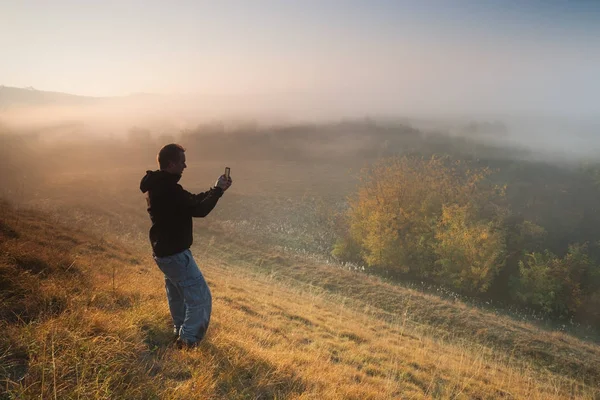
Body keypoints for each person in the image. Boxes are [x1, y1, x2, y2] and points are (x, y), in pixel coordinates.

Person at [140, 143, 232, 348]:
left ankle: (180, 332)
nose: (185, 166)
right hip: (175, 254)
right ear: (172, 163)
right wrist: (217, 191)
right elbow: (199, 210)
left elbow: (190, 202)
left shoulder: (160, 185)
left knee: (178, 295)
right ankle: (188, 343)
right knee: (200, 299)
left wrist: (215, 190)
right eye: (182, 162)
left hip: (163, 251)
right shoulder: (168, 189)